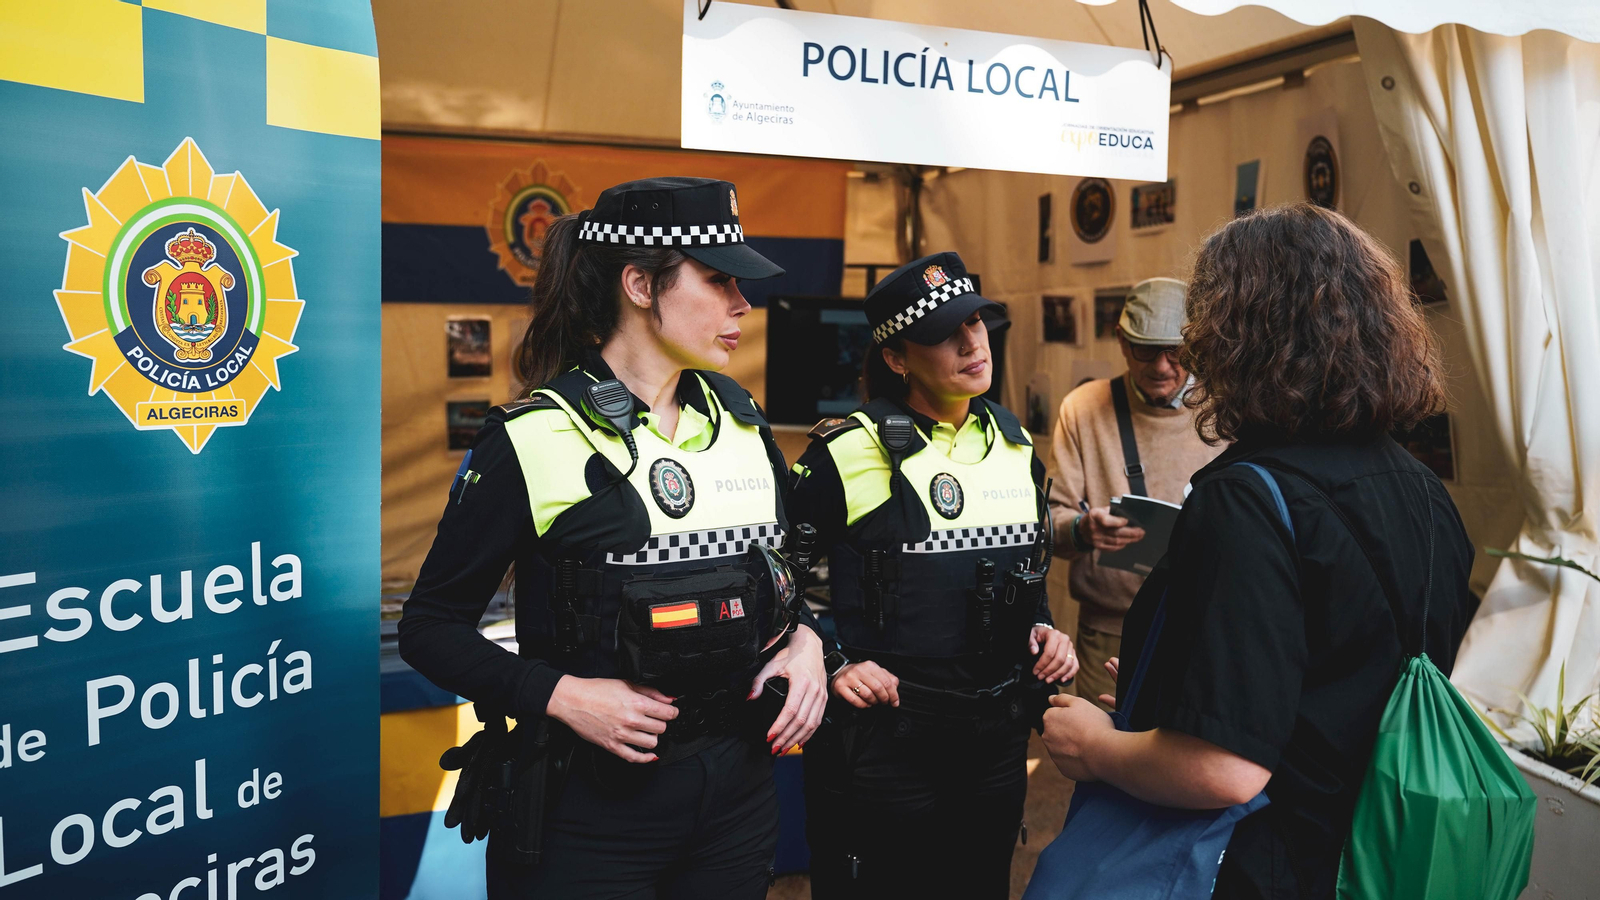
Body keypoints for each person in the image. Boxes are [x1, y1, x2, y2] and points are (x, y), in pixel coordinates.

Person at [397, 177, 828, 899]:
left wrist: (809, 642)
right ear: (638, 284)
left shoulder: (746, 424)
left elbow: (780, 586)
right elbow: (429, 629)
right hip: (587, 814)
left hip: (737, 796)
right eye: (719, 280)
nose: (742, 304)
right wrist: (562, 694)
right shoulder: (532, 437)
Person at [1040, 204, 1480, 899]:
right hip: (1378, 853)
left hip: (1269, 860)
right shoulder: (1422, 487)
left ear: (1234, 333)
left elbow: (1224, 768)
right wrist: (1177, 686)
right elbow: (1344, 672)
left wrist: (1096, 748)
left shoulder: (1247, 495)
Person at [791, 252, 1079, 900]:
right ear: (897, 358)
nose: (972, 343)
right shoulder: (845, 451)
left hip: (994, 739)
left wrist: (1044, 632)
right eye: (946, 332)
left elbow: (1030, 581)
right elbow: (773, 579)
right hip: (887, 743)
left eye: (977, 324)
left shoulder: (1013, 445)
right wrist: (834, 663)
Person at [1046, 278, 1224, 710]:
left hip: (1207, 625)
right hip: (1110, 629)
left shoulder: (1225, 410)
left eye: (1177, 352)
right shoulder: (1083, 408)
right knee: (1103, 757)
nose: (1162, 367)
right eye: (1146, 350)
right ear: (1122, 342)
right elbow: (1049, 522)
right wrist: (1083, 530)